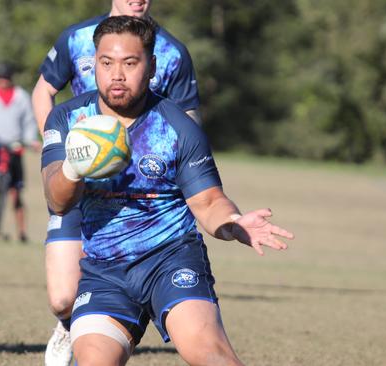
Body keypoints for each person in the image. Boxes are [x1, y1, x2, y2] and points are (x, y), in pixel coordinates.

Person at [41, 16, 294, 365]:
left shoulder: (177, 126)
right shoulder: (67, 121)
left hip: (170, 258)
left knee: (208, 354)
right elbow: (56, 200)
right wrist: (75, 164)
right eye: (106, 62)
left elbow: (207, 201)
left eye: (130, 63)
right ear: (94, 63)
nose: (117, 74)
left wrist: (234, 222)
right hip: (104, 271)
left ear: (151, 66)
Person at [32, 1, 201, 363]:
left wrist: (189, 172)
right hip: (80, 180)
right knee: (61, 297)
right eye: (107, 63)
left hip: (142, 192)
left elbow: (188, 116)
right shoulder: (77, 37)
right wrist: (62, 152)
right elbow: (42, 90)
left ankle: (103, 322)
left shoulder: (173, 52)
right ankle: (72, 322)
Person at [0, 62, 41, 242]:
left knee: (15, 193)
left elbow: (28, 121)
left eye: (5, 79)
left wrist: (30, 140)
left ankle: (22, 232)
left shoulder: (20, 97)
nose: (2, 83)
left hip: (15, 149)